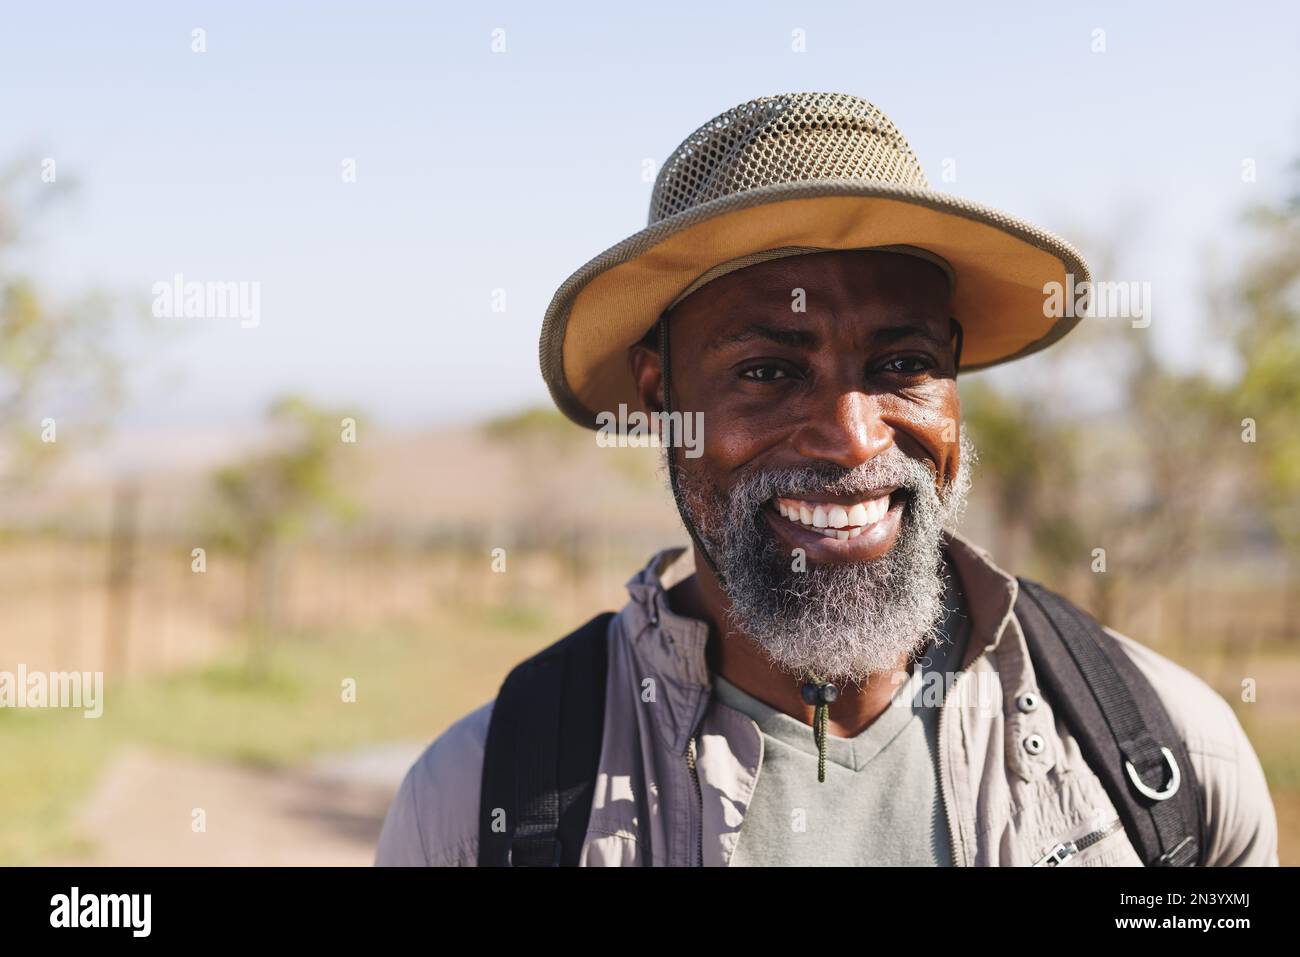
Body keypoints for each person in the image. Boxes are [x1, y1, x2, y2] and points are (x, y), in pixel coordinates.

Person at [376, 92, 1278, 867]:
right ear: (661, 395)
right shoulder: (487, 804)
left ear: (953, 378)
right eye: (768, 371)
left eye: (902, 363)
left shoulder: (1164, 766)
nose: (853, 440)